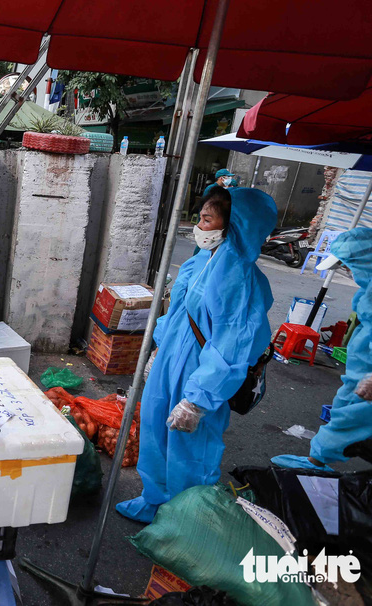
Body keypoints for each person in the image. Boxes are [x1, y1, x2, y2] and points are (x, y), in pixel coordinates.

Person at [116, 187, 277, 524]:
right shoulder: (204, 258)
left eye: (208, 218)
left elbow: (232, 343)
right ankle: (155, 499)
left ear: (233, 225)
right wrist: (158, 348)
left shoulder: (235, 273)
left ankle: (185, 518)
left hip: (201, 371)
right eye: (201, 217)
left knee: (191, 449)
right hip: (172, 360)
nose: (199, 226)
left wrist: (197, 400)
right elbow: (177, 311)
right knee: (156, 431)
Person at [272, 227, 372, 470]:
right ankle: (318, 459)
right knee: (351, 413)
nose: (348, 271)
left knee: (350, 417)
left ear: (365, 261)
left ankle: (317, 460)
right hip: (363, 369)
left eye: (348, 265)